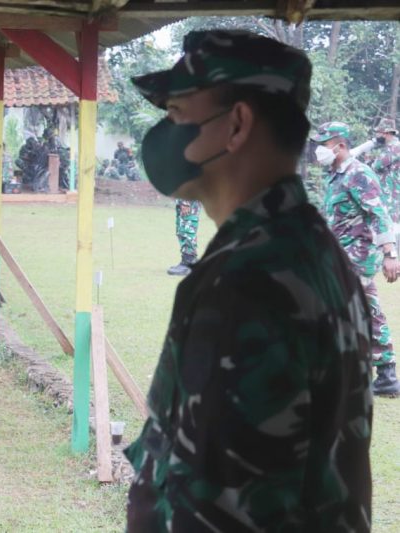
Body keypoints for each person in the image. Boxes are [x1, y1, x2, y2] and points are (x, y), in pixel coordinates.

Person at [126, 29, 373, 530]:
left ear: (237, 124)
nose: (164, 133)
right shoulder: (309, 246)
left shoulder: (246, 283)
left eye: (175, 113)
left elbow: (220, 509)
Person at [312, 121, 400, 397]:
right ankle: (384, 373)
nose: (319, 151)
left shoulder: (359, 174)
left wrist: (390, 253)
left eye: (324, 145)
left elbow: (379, 214)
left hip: (359, 255)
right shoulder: (337, 175)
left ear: (340, 145)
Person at [372, 117, 400, 227]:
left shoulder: (395, 148)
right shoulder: (390, 148)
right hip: (389, 197)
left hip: (393, 199)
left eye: (379, 132)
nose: (377, 136)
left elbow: (377, 165)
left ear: (387, 133)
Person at [166, 199, 201, 275]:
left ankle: (188, 262)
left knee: (187, 231)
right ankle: (191, 261)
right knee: (182, 231)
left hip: (189, 200)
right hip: (184, 199)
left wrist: (186, 202)